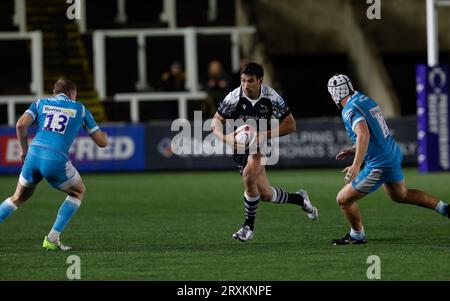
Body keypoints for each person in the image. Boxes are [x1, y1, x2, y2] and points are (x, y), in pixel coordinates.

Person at [327, 74, 450, 245]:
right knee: (401, 195)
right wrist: (353, 150)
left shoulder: (349, 110)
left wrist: (356, 166)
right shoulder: (363, 99)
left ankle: (357, 235)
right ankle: (444, 208)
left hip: (380, 163)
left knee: (343, 199)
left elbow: (364, 134)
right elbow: (374, 131)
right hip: (392, 153)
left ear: (334, 94)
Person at [211, 62, 318, 242]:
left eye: (250, 81)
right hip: (239, 146)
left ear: (260, 80)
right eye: (243, 81)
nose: (245, 85)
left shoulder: (271, 97)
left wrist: (263, 135)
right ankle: (300, 199)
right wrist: (227, 138)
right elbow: (215, 121)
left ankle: (248, 228)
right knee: (266, 194)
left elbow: (290, 125)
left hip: (260, 146)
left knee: (248, 177)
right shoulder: (234, 97)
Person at [0, 78, 108, 251]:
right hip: (55, 159)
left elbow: (20, 125)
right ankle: (52, 238)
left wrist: (24, 151)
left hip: (33, 155)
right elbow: (102, 143)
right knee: (78, 191)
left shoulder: (40, 103)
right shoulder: (80, 108)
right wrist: (105, 136)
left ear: (54, 94)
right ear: (72, 94)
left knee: (17, 198)